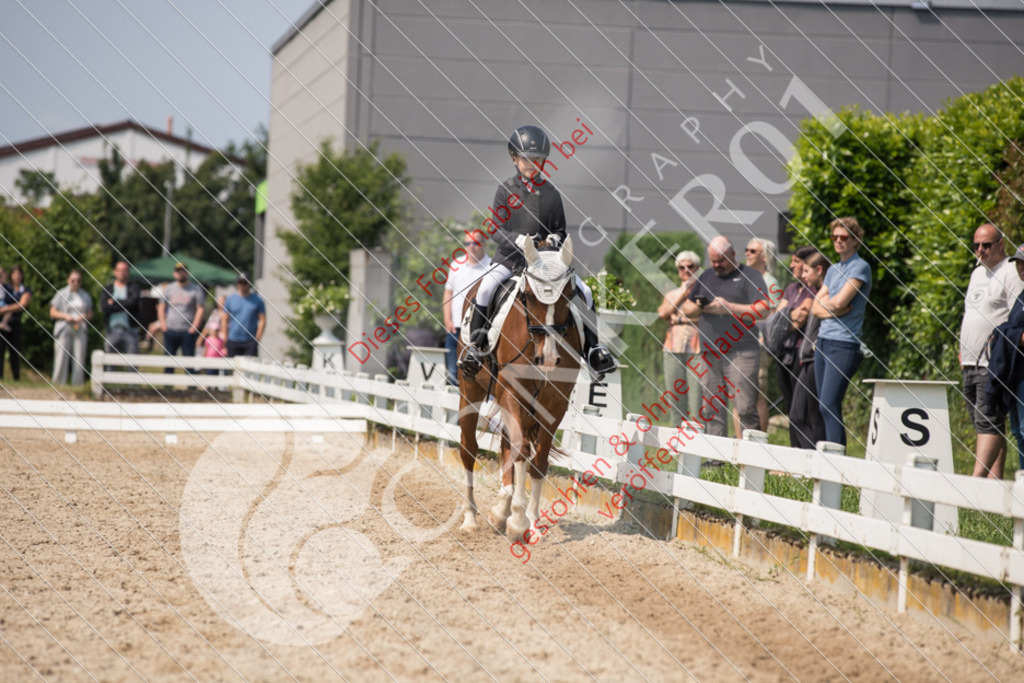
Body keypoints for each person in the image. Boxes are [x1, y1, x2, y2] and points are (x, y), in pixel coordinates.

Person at [459, 124, 615, 380]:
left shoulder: (551, 193)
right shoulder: (505, 189)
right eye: (527, 159)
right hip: (509, 261)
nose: (533, 164)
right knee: (486, 288)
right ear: (514, 158)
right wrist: (519, 240)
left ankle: (594, 350)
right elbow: (496, 231)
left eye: (538, 160)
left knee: (585, 292)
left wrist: (554, 238)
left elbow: (561, 230)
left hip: (544, 264)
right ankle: (475, 349)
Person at [681, 236, 768, 438]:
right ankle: (716, 461)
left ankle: (752, 460)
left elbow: (763, 309)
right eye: (712, 261)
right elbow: (687, 308)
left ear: (732, 254)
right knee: (712, 408)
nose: (716, 265)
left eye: (720, 260)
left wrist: (729, 308)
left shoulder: (750, 276)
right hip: (710, 351)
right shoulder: (707, 276)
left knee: (745, 406)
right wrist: (701, 306)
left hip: (742, 351)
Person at [960, 224, 1022, 479]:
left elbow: (1016, 317)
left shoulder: (1011, 271)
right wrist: (961, 350)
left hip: (992, 361)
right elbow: (970, 313)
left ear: (1000, 244)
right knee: (982, 423)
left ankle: (977, 482)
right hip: (970, 360)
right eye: (976, 246)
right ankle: (993, 484)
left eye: (986, 245)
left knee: (989, 421)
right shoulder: (977, 273)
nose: (980, 251)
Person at [811, 217, 873, 447]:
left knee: (829, 403)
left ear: (855, 240)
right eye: (834, 237)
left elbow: (840, 302)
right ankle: (832, 456)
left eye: (844, 237)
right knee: (823, 405)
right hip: (824, 340)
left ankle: (837, 463)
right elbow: (817, 306)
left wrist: (827, 307)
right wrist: (830, 309)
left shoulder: (860, 267)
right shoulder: (833, 270)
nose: (838, 241)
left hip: (844, 343)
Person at [775, 245, 820, 442]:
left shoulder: (813, 289)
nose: (791, 265)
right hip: (783, 350)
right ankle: (794, 451)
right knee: (789, 403)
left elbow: (800, 320)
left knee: (802, 407)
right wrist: (787, 317)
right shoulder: (792, 288)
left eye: (796, 261)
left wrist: (785, 317)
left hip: (801, 351)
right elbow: (776, 318)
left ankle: (806, 452)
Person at [789, 251, 830, 450]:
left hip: (815, 359)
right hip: (806, 359)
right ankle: (811, 460)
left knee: (802, 415)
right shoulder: (817, 293)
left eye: (806, 271)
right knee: (807, 414)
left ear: (819, 270)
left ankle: (813, 459)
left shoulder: (826, 294)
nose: (803, 276)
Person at [657, 250, 703, 426]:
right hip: (673, 347)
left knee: (697, 398)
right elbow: (663, 313)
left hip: (696, 349)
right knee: (675, 398)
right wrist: (683, 295)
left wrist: (680, 318)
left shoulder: (702, 293)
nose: (686, 271)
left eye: (690, 267)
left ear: (697, 269)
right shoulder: (672, 294)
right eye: (681, 267)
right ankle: (677, 441)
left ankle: (699, 443)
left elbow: (705, 316)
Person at [443, 238, 491, 385]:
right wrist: (447, 320)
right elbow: (448, 293)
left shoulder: (491, 265)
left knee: (478, 377)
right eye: (467, 243)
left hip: (479, 330)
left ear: (483, 244)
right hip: (456, 328)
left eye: (475, 242)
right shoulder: (456, 264)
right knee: (453, 374)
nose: (471, 246)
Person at [744, 238, 780, 431]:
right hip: (741, 344)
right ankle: (741, 445)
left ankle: (758, 444)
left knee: (757, 396)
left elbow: (773, 316)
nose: (747, 253)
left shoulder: (770, 283)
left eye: (753, 251)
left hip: (758, 345)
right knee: (741, 396)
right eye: (747, 250)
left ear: (765, 257)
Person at [157, 261, 206, 372]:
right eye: (178, 271)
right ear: (175, 274)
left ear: (187, 273)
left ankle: (191, 387)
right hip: (171, 329)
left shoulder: (196, 289)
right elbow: (161, 307)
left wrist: (194, 327)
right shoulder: (169, 288)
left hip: (187, 331)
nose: (181, 274)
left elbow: (200, 309)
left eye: (183, 271)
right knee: (169, 361)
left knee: (189, 362)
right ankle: (167, 387)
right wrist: (163, 324)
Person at [49, 269, 94, 386]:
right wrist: (65, 316)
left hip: (80, 328)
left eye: (78, 281)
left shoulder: (85, 296)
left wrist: (84, 316)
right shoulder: (61, 294)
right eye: (73, 280)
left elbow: (90, 313)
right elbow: (52, 312)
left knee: (79, 358)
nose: (75, 283)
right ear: (68, 280)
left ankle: (78, 384)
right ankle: (58, 383)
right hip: (64, 327)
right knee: (61, 357)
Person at [100, 260, 142, 356]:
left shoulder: (134, 287)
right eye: (119, 270)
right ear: (115, 272)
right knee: (110, 363)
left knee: (132, 364)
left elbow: (133, 303)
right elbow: (104, 307)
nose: (122, 273)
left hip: (130, 331)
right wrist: (125, 304)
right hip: (111, 331)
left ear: (128, 272)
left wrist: (114, 302)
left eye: (124, 270)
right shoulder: (108, 289)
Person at [0, 264, 33, 380]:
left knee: (14, 351)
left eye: (19, 274)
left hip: (16, 323)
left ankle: (16, 377)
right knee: (1, 350)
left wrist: (6, 309)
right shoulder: (5, 287)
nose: (17, 277)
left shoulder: (26, 289)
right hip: (3, 324)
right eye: (14, 274)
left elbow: (22, 305)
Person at [221, 272, 265, 357]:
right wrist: (225, 339)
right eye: (240, 282)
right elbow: (224, 320)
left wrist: (257, 339)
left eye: (245, 282)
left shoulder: (258, 300)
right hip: (233, 339)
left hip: (250, 341)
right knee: (231, 368)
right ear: (237, 283)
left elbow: (262, 320)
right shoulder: (230, 300)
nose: (243, 285)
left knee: (250, 368)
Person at [197, 296, 227, 373]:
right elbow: (207, 326)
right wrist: (200, 338)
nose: (221, 304)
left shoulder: (228, 314)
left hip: (223, 341)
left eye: (223, 302)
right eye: (219, 301)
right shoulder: (215, 312)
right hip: (213, 340)